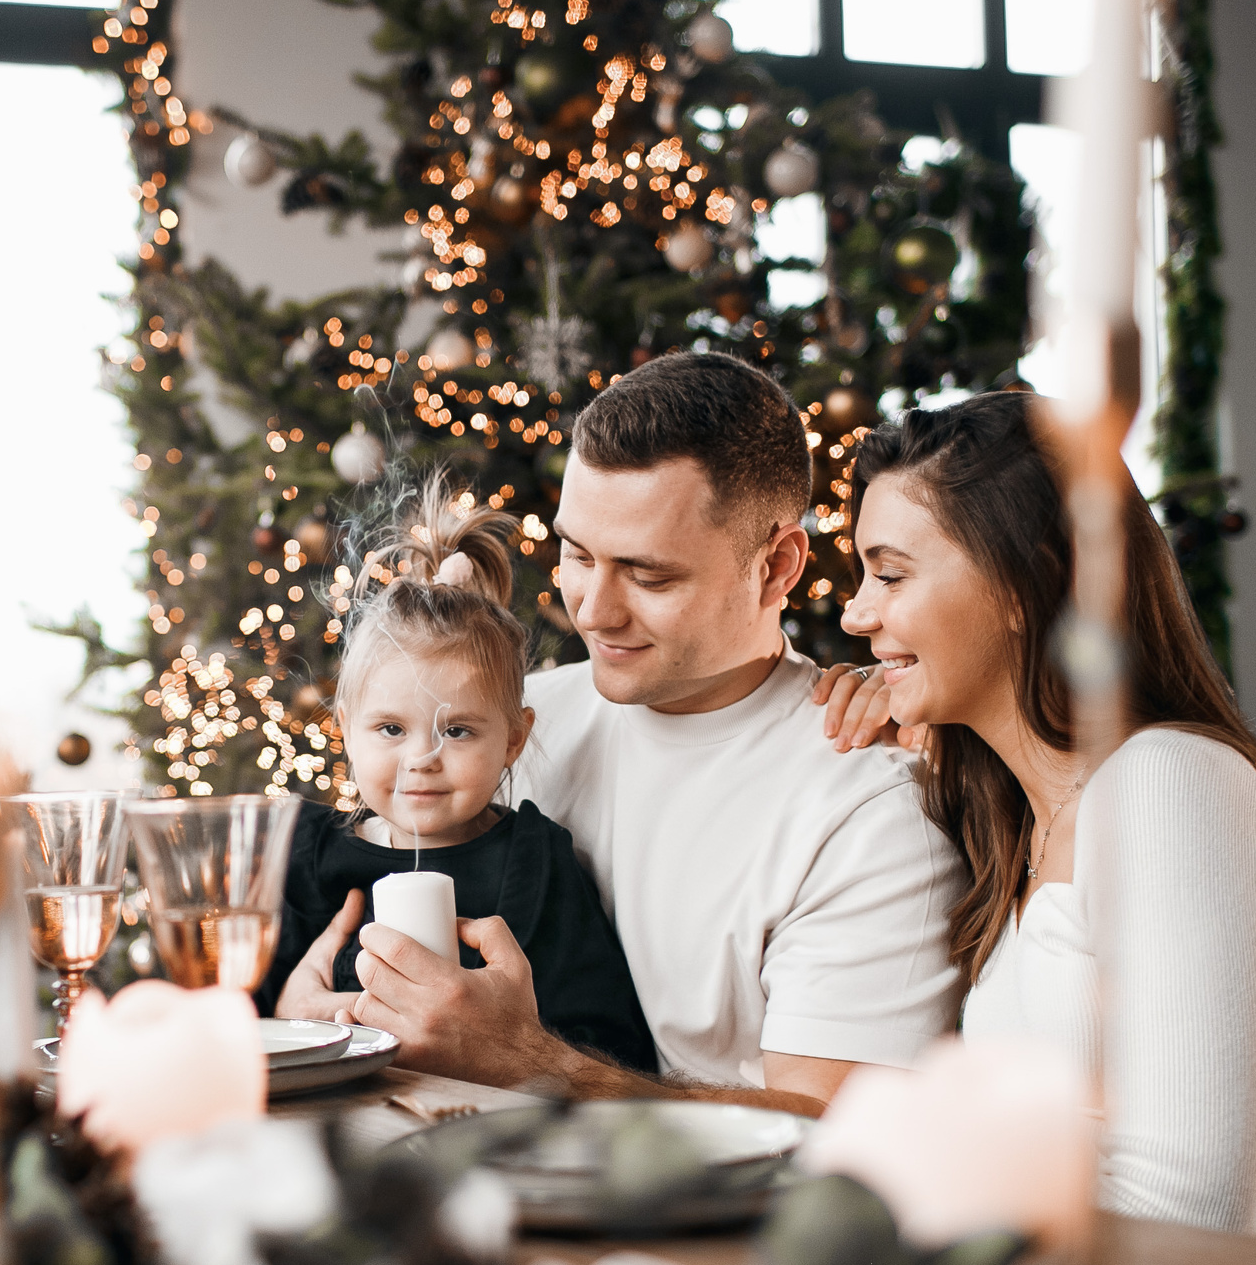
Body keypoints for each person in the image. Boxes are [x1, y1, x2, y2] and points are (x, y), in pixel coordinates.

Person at [811, 389, 1256, 1265]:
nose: (854, 614)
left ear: (1031, 582)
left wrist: (912, 1164)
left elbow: (1190, 1215)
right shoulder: (1021, 823)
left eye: (891, 574)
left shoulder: (1171, 786)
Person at [277, 353, 964, 1110]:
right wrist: (315, 1020)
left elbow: (839, 1128)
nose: (592, 611)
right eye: (576, 553)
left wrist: (532, 1062)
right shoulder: (505, 723)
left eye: (649, 574)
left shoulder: (866, 810)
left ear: (776, 568)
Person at [257, 483, 658, 1076]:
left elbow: (610, 1045)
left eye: (459, 731)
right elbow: (231, 1023)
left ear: (513, 740)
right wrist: (287, 1019)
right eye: (390, 729)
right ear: (345, 730)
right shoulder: (306, 856)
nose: (421, 758)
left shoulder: (535, 863)